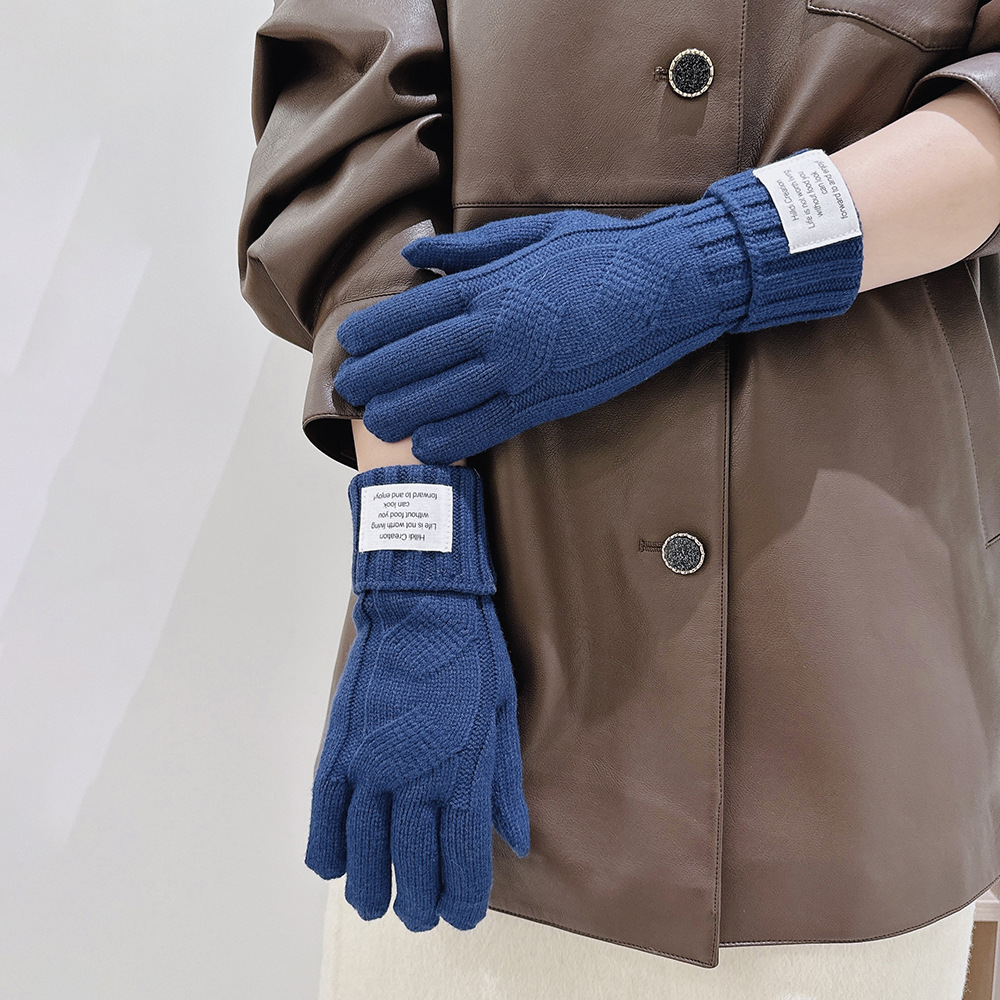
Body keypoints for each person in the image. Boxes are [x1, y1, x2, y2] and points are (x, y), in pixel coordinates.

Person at [237, 0, 1000, 995]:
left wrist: (713, 258)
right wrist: (415, 570)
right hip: (508, 696)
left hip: (852, 711)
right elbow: (354, 163)